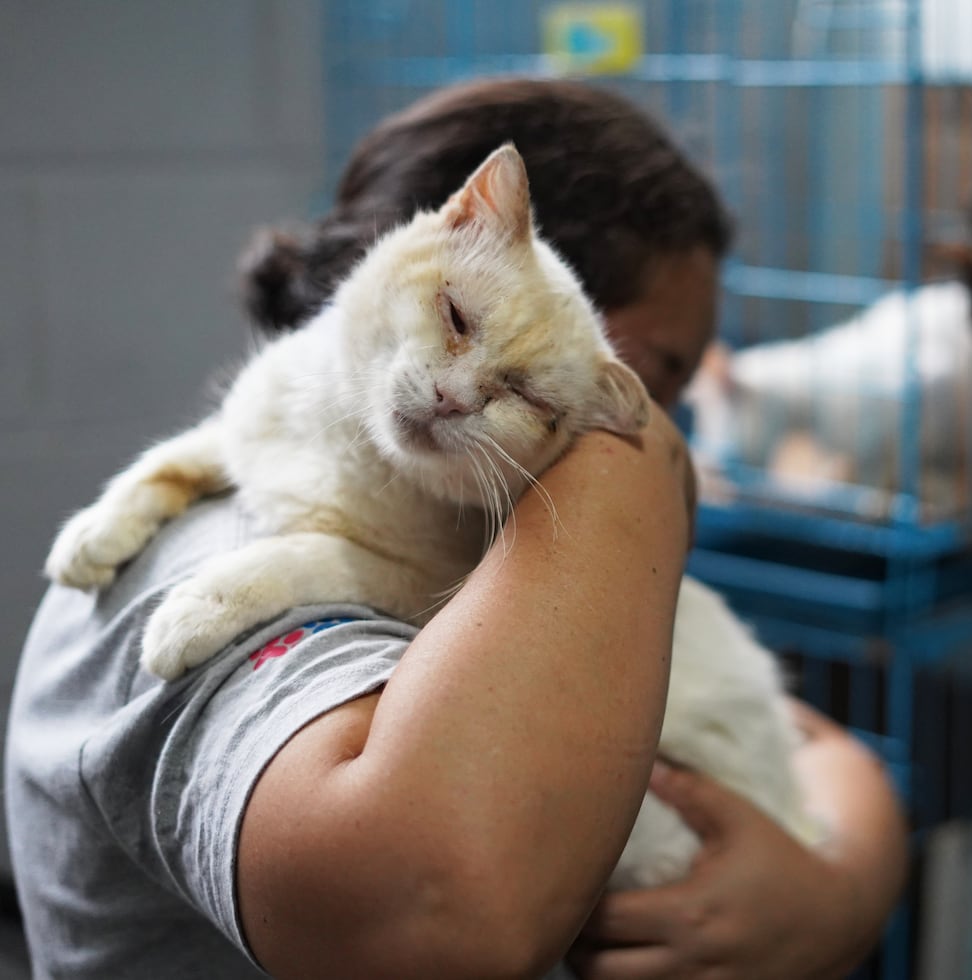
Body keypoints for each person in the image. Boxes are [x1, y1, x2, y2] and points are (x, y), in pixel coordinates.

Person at [4, 78, 905, 980]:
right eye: (662, 372)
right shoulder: (242, 587)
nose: (669, 419)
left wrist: (840, 892)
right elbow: (432, 918)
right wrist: (634, 470)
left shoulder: (481, 523)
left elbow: (817, 743)